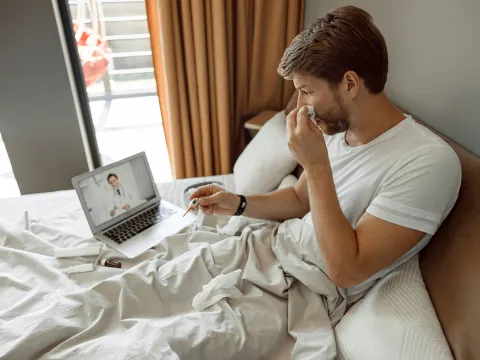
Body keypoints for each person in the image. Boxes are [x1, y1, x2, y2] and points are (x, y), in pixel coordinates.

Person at [190, 6, 461, 303]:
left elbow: (347, 271)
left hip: (297, 290)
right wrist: (238, 203)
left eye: (306, 91)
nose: (299, 107)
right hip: (269, 250)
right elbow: (298, 199)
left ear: (349, 84)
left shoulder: (428, 161)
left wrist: (316, 164)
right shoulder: (338, 129)